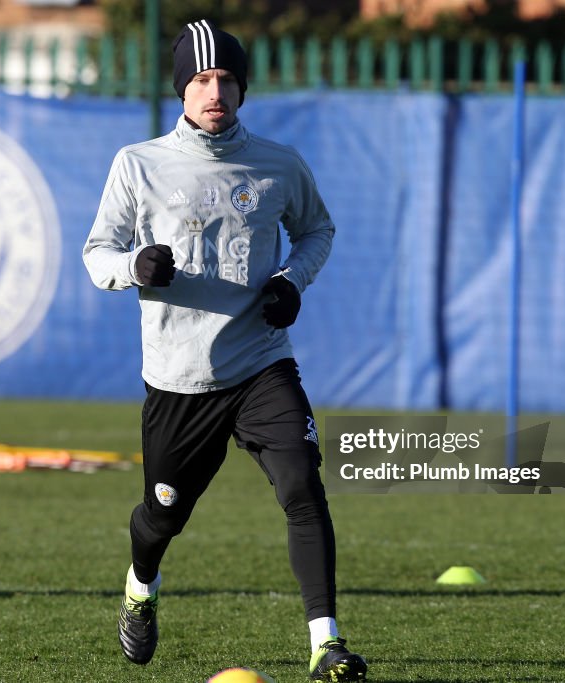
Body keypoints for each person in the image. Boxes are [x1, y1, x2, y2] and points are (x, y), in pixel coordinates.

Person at [82, 19, 368, 682]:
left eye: (226, 79)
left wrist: (291, 281)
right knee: (160, 517)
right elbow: (98, 255)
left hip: (262, 362)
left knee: (302, 481)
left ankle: (326, 642)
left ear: (242, 88)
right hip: (180, 379)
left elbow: (317, 230)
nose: (215, 91)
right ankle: (140, 586)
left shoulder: (278, 164)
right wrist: (136, 266)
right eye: (202, 79)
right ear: (182, 88)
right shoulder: (139, 165)